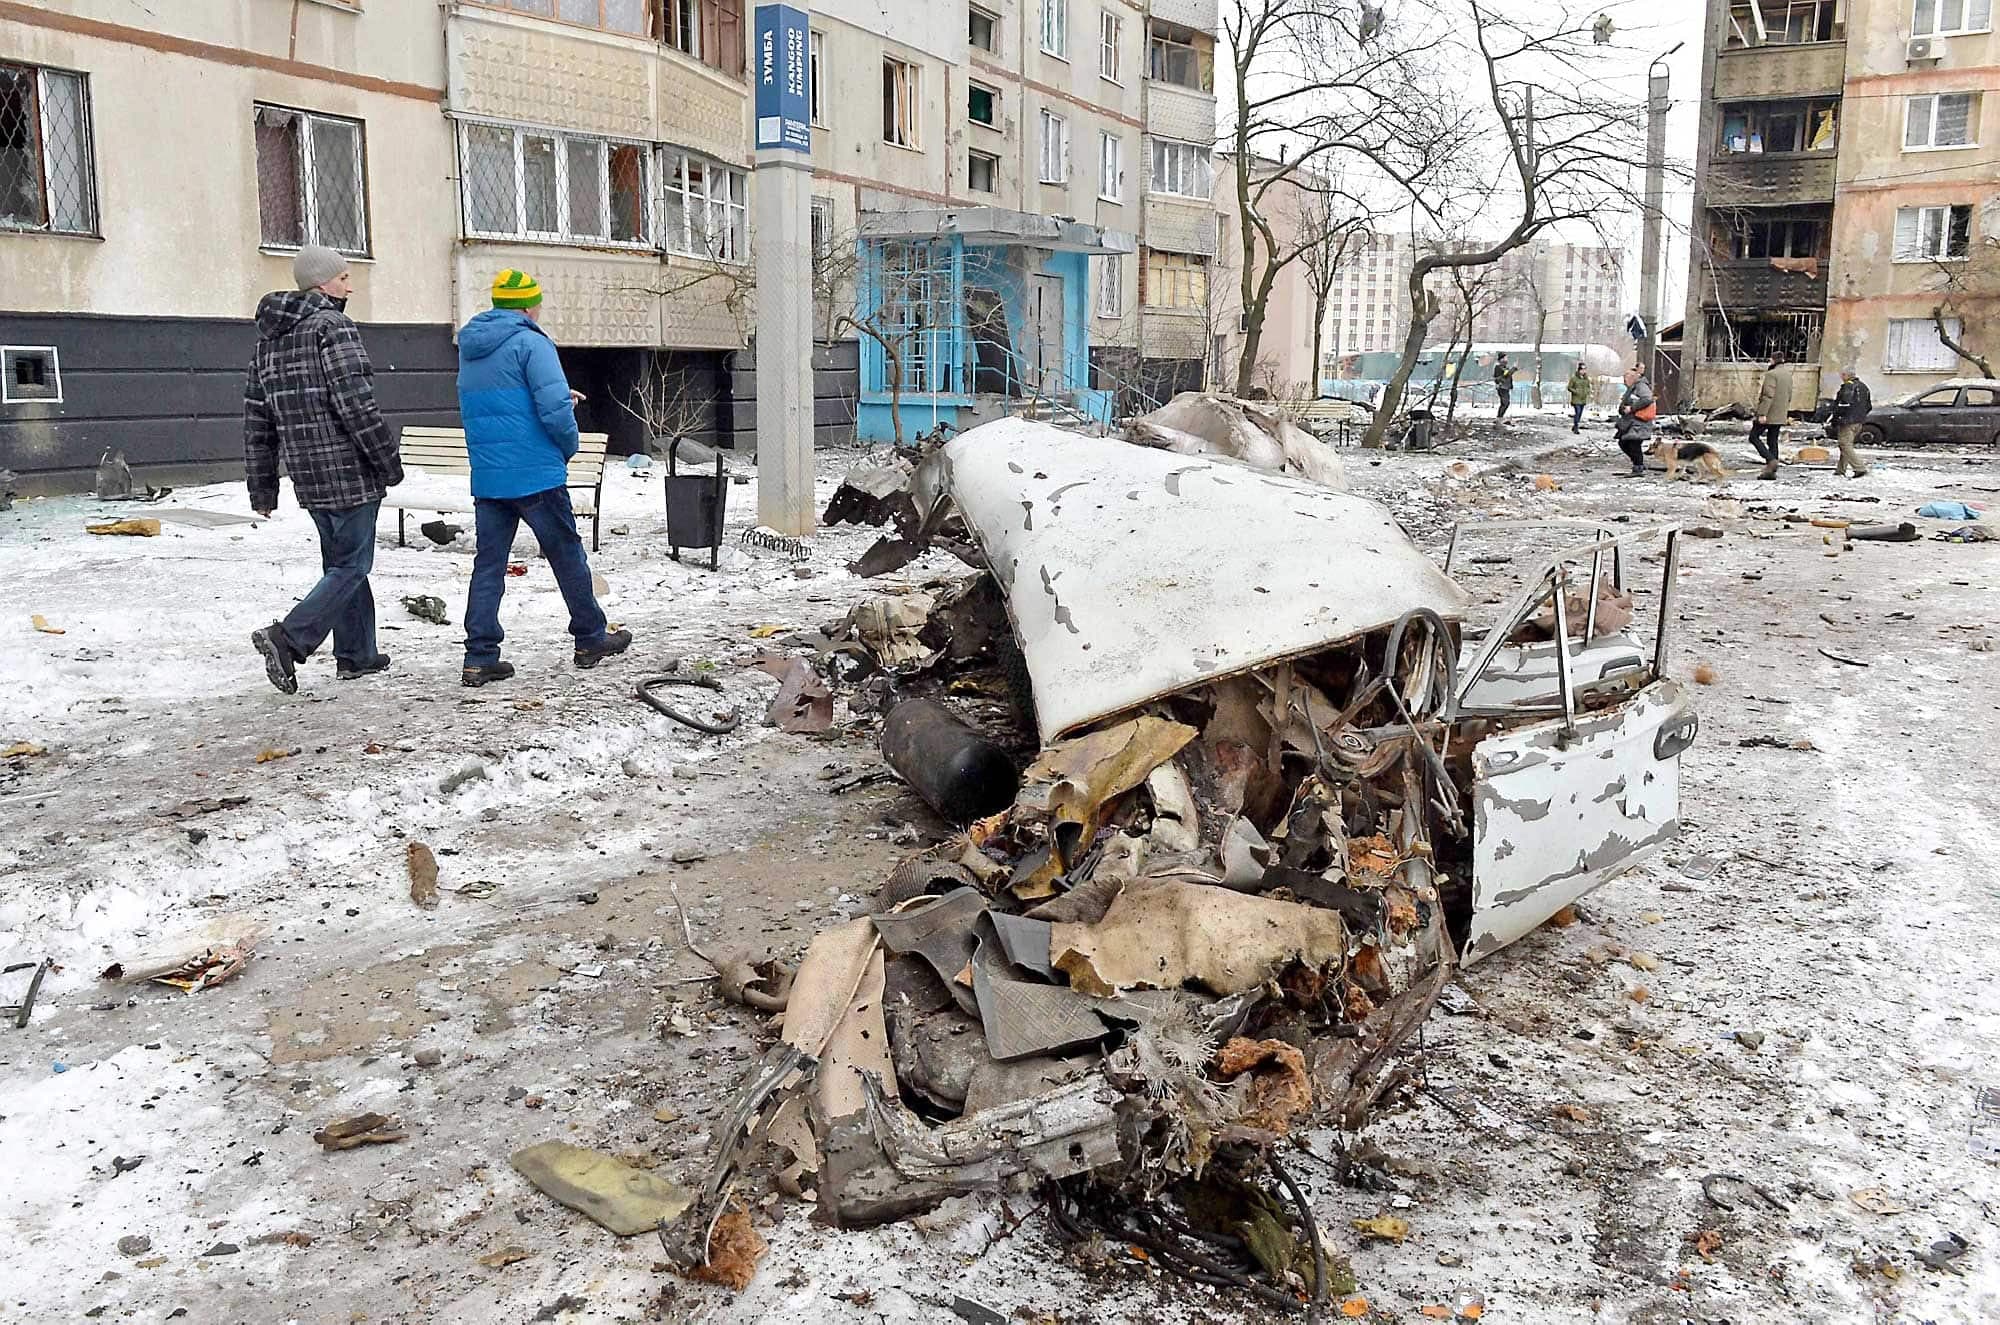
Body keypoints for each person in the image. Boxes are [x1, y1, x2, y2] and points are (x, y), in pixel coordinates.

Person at [456, 269, 631, 687]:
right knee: (566, 555)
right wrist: (568, 446)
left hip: (491, 476)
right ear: (527, 305)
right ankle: (590, 637)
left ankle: (480, 656)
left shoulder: (472, 348)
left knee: (489, 565)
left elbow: (497, 403)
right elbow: (553, 410)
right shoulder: (532, 342)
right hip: (535, 473)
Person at [244, 245, 402, 695]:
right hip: (348, 471)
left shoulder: (268, 340)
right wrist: (387, 461)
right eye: (344, 278)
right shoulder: (333, 327)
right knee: (352, 565)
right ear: (321, 284)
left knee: (341, 564)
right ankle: (290, 638)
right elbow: (356, 404)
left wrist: (263, 487)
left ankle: (357, 655)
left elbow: (258, 418)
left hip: (308, 476)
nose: (350, 286)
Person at [1750, 356, 1792, 481]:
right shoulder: (1788, 375)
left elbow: (1768, 395)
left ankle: (1771, 460)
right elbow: (1789, 395)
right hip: (1780, 413)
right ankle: (1771, 472)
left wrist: (1762, 413)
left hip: (1769, 413)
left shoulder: (1771, 374)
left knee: (1753, 436)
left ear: (1773, 360)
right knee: (1772, 440)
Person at [1829, 368, 1872, 479]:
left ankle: (1859, 468)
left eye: (1841, 375)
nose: (1841, 378)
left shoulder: (1848, 386)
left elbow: (1844, 405)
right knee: (1846, 445)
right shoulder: (1864, 387)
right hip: (1859, 421)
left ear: (1845, 375)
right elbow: (1868, 406)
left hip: (1848, 421)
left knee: (1844, 444)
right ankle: (1840, 469)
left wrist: (1835, 418)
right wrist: (1861, 416)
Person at [1613, 365, 1655, 477]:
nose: (1624, 381)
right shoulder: (1633, 388)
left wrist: (1632, 408)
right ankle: (1638, 464)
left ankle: (1638, 467)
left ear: (1632, 377)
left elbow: (1647, 399)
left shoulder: (1641, 386)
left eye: (1625, 378)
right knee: (1624, 442)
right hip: (1632, 422)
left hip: (1639, 421)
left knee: (1633, 443)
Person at [1567, 363, 1591, 434]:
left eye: (1585, 369)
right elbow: (1569, 387)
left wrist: (1587, 391)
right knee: (1577, 413)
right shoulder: (1574, 378)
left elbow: (1588, 387)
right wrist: (1575, 391)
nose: (1583, 371)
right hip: (1576, 399)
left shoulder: (1586, 379)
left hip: (1583, 399)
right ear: (1579, 370)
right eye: (1582, 369)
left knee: (1580, 414)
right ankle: (1576, 428)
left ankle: (1574, 425)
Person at [1492, 354, 1516, 421]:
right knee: (1505, 403)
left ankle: (1500, 417)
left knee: (1505, 403)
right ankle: (1499, 417)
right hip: (1502, 387)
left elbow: (1507, 375)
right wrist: (1513, 369)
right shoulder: (1498, 367)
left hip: (1506, 387)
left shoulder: (1504, 367)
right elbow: (1503, 377)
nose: (1507, 359)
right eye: (1505, 358)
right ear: (1501, 359)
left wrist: (1513, 369)